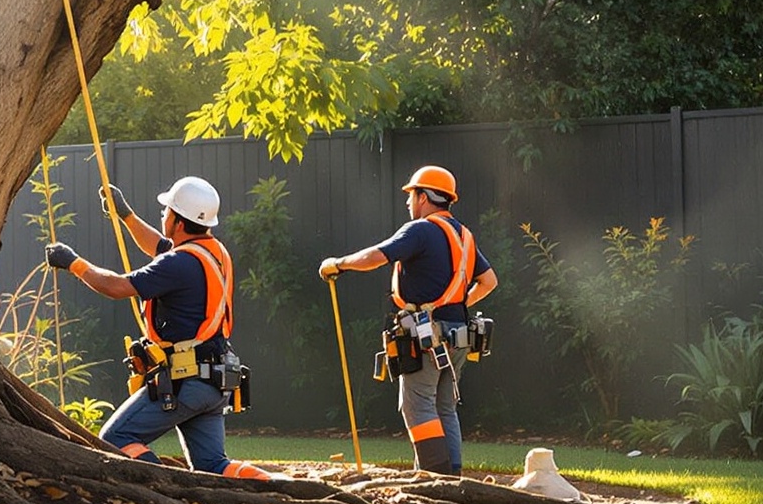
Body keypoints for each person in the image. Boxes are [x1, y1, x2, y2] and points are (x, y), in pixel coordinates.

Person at [44, 176, 272, 480]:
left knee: (115, 439)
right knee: (213, 465)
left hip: (185, 382)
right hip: (214, 380)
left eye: (167, 211)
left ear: (178, 221)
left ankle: (168, 487)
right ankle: (277, 487)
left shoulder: (178, 264)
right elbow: (159, 245)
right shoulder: (212, 252)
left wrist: (73, 263)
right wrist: (125, 215)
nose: (163, 214)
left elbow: (115, 286)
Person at [319, 166, 498, 474]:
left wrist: (337, 264)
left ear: (424, 196)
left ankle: (433, 479)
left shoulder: (421, 230)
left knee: (417, 405)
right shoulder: (463, 236)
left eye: (411, 195)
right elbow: (489, 281)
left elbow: (376, 256)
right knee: (444, 407)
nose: (407, 203)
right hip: (458, 335)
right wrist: (455, 303)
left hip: (427, 337)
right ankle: (450, 479)